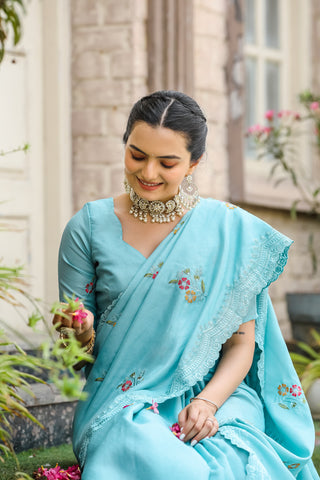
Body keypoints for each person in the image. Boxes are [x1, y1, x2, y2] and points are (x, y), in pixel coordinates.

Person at [53, 91, 319, 479]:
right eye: (137, 155)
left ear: (194, 162)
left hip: (217, 395)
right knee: (169, 464)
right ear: (125, 144)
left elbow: (240, 345)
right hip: (125, 406)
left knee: (235, 461)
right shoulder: (89, 228)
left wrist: (208, 404)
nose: (148, 173)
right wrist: (81, 333)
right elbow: (73, 356)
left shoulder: (225, 232)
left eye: (168, 162)